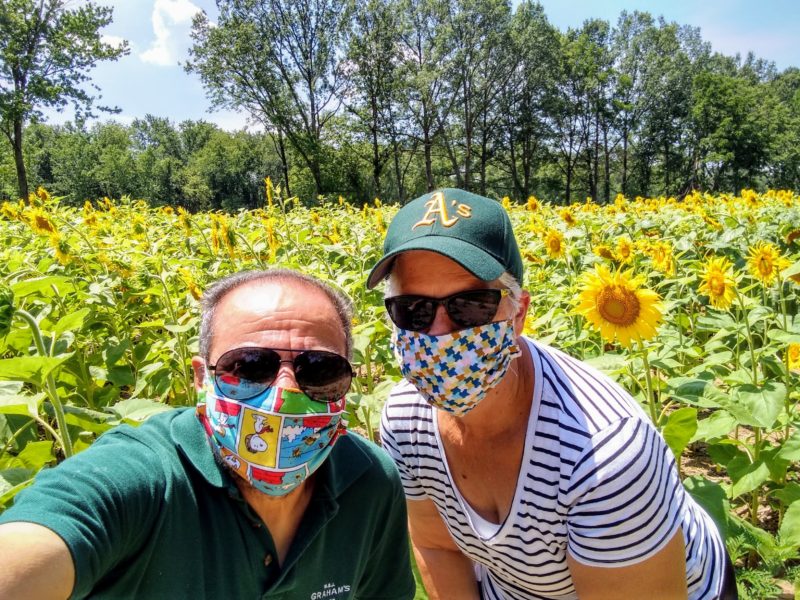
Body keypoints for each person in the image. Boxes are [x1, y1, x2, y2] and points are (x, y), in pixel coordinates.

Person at [368, 188, 736, 600]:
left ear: (518, 312)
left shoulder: (605, 453)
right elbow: (436, 546)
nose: (438, 332)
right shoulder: (404, 420)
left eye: (470, 306)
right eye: (412, 309)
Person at [0, 269, 415, 600]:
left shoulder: (368, 480)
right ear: (202, 377)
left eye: (320, 370)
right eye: (249, 367)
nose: (285, 394)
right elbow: (42, 539)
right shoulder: (146, 480)